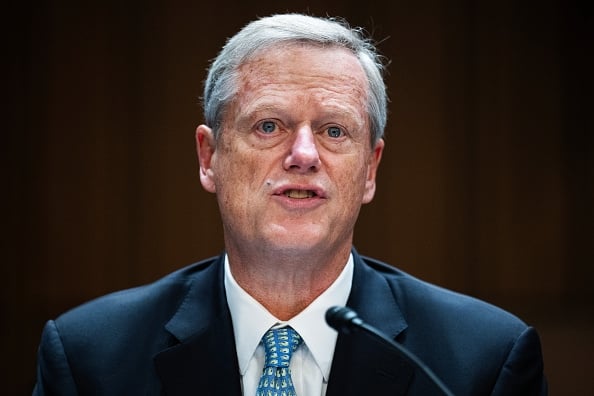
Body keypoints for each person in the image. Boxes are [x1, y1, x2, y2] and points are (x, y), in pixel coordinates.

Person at [33, 13, 547, 396]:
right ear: (209, 157)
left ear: (370, 169)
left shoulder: (484, 360)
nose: (303, 155)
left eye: (333, 130)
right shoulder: (90, 358)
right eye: (268, 126)